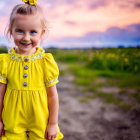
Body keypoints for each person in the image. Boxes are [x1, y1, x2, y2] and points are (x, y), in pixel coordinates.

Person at [0, 0, 64, 140]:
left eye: (33, 32)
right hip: (12, 119)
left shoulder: (45, 61)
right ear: (11, 31)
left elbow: (53, 96)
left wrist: (53, 123)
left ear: (42, 33)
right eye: (20, 31)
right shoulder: (5, 61)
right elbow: (0, 94)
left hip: (40, 118)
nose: (26, 38)